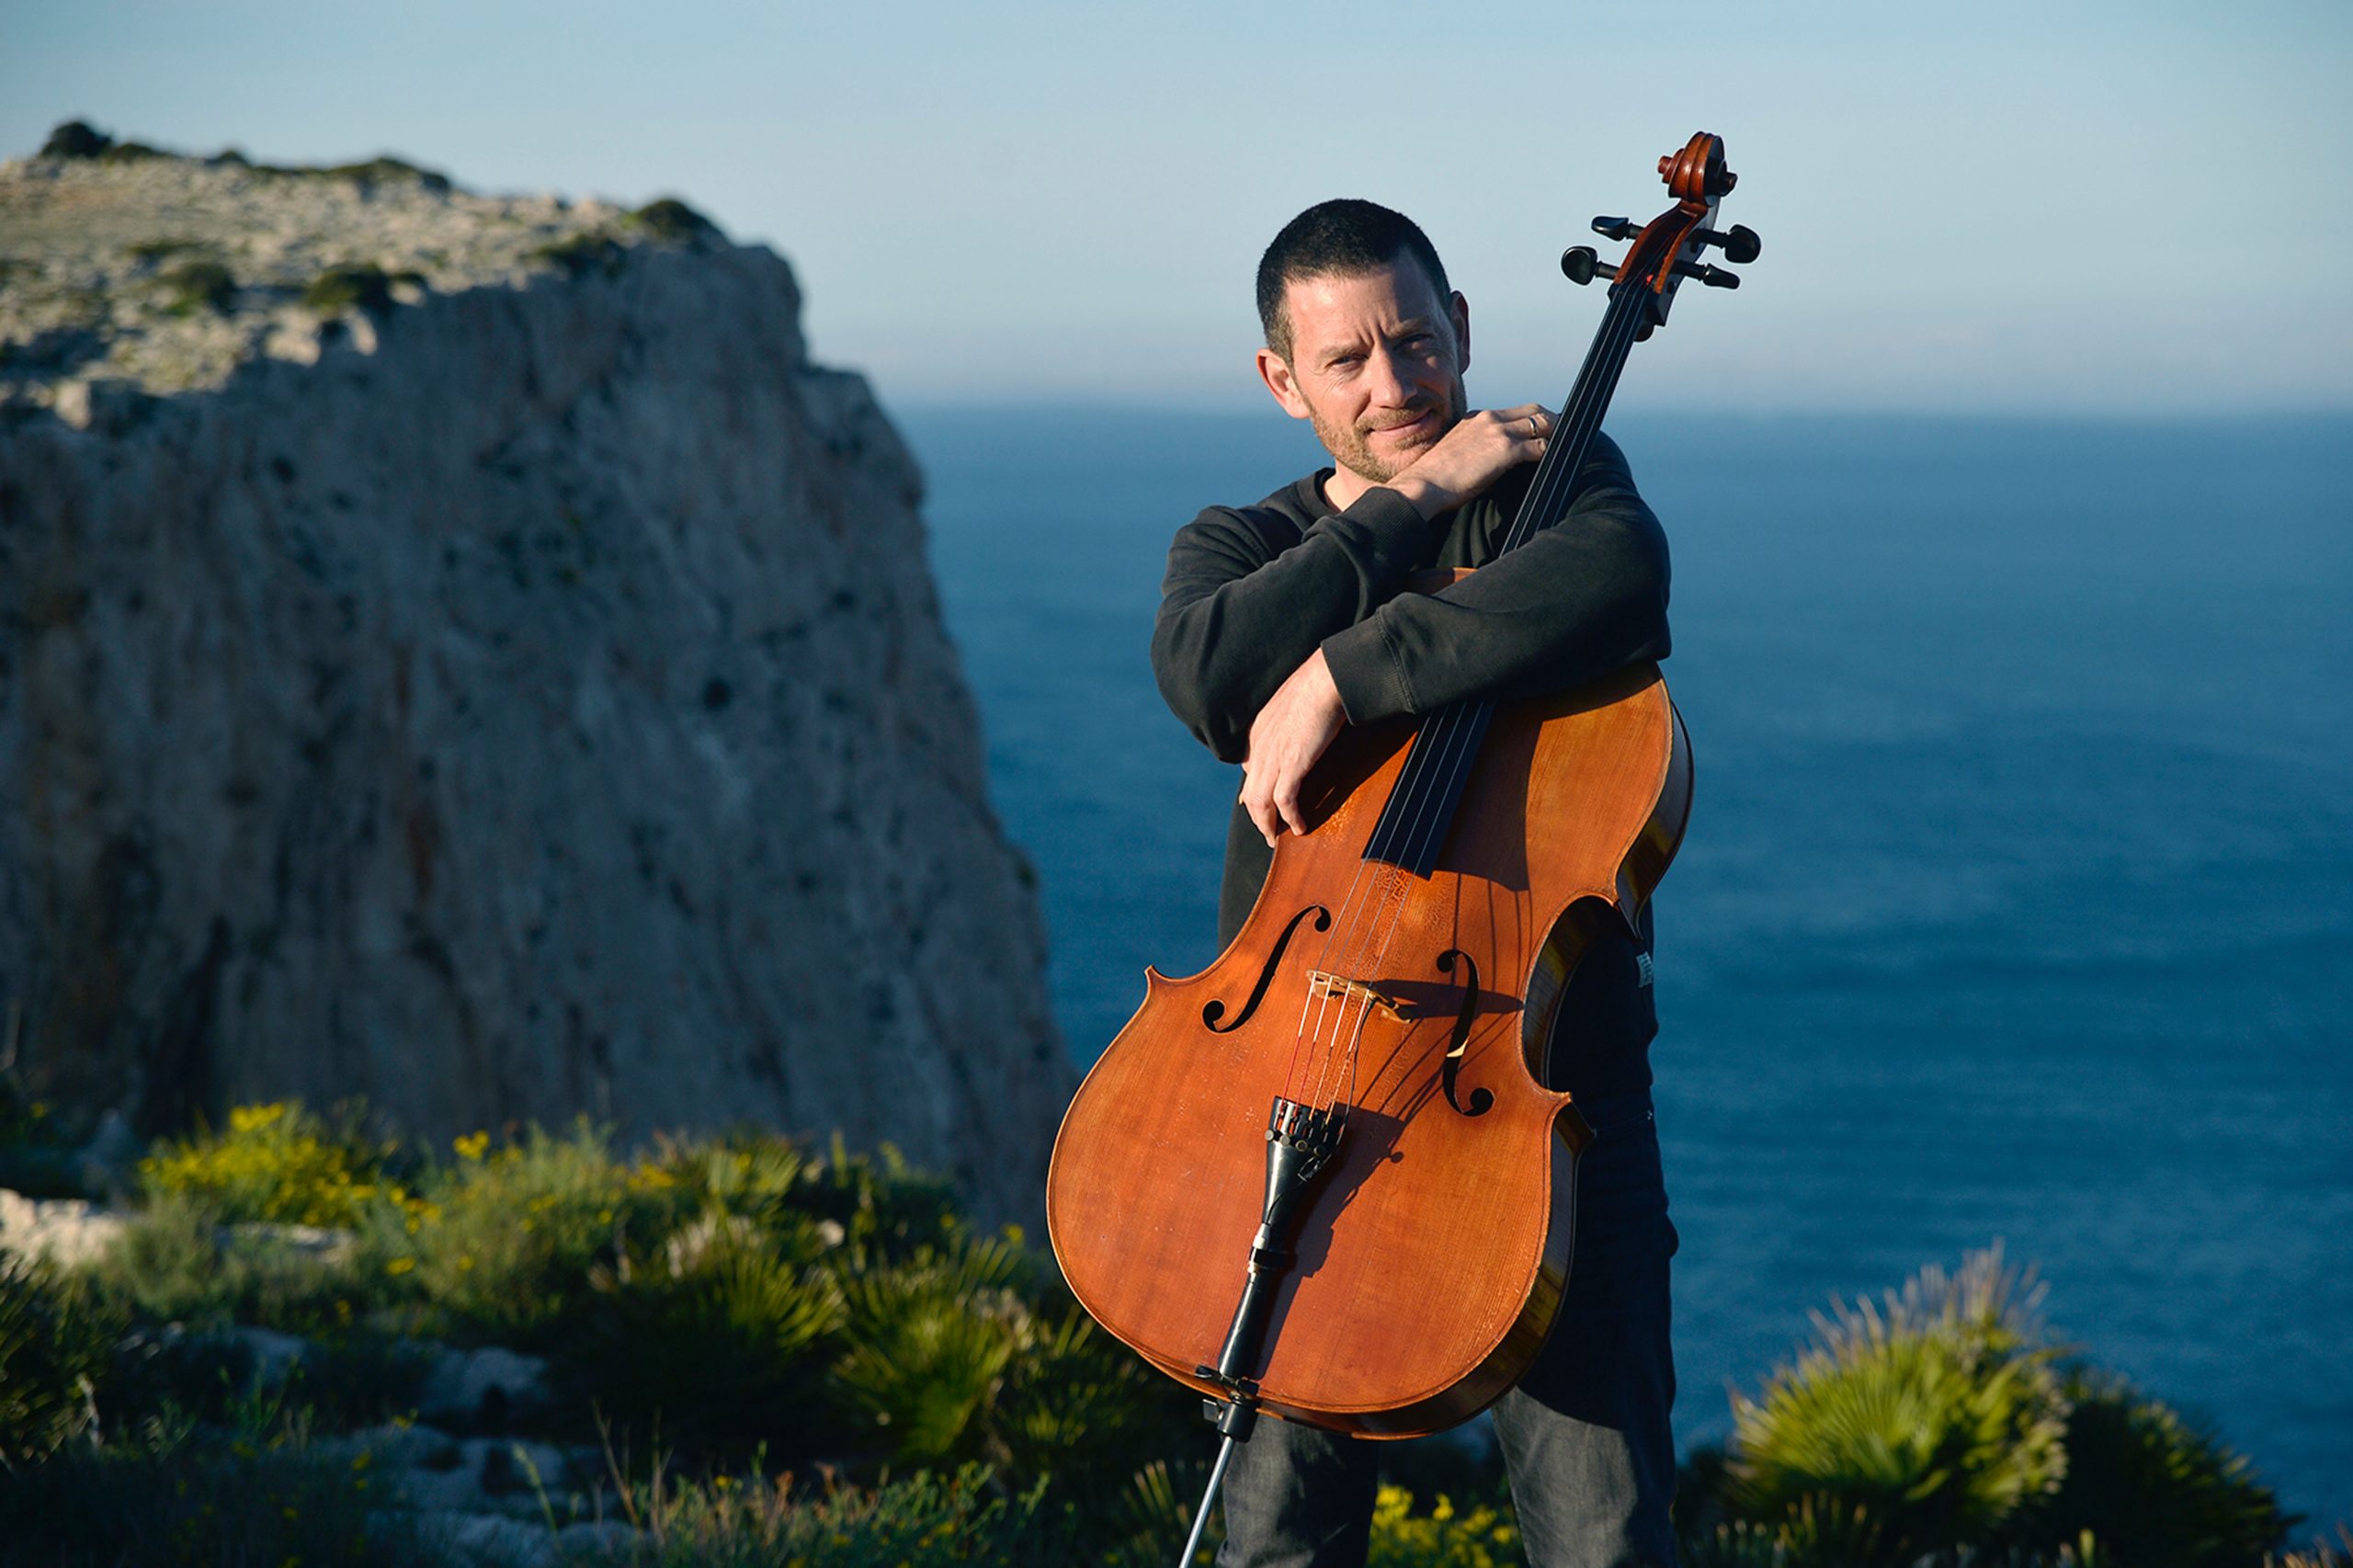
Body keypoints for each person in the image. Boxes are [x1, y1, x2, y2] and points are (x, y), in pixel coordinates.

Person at [1147, 199, 1682, 1568]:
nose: (1397, 385)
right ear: (1283, 381)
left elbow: (1620, 577)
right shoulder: (1243, 547)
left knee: (1604, 1540)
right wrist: (1417, 496)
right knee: (1278, 1540)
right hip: (1298, 1102)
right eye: (1349, 361)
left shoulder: (1559, 496)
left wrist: (1342, 675)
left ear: (1462, 333)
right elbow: (1213, 679)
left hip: (1539, 1111)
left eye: (1419, 343)